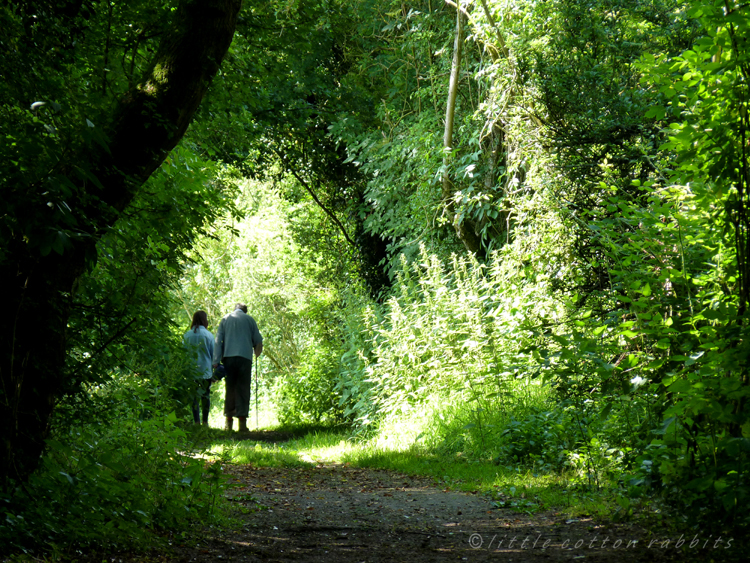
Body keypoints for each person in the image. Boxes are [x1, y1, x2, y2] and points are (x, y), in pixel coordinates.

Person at [213, 303, 263, 432]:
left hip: (228, 357)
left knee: (230, 388)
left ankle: (228, 423)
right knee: (243, 388)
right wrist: (257, 354)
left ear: (235, 309)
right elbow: (258, 342)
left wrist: (216, 361)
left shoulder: (225, 319)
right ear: (245, 311)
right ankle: (242, 423)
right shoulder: (250, 320)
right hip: (244, 358)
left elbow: (218, 341)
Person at [183, 310, 215, 426]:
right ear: (204, 320)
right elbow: (213, 355)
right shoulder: (209, 335)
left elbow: (184, 354)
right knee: (205, 396)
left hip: (192, 371)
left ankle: (196, 421)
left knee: (194, 397)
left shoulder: (187, 335)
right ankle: (205, 422)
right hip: (205, 371)